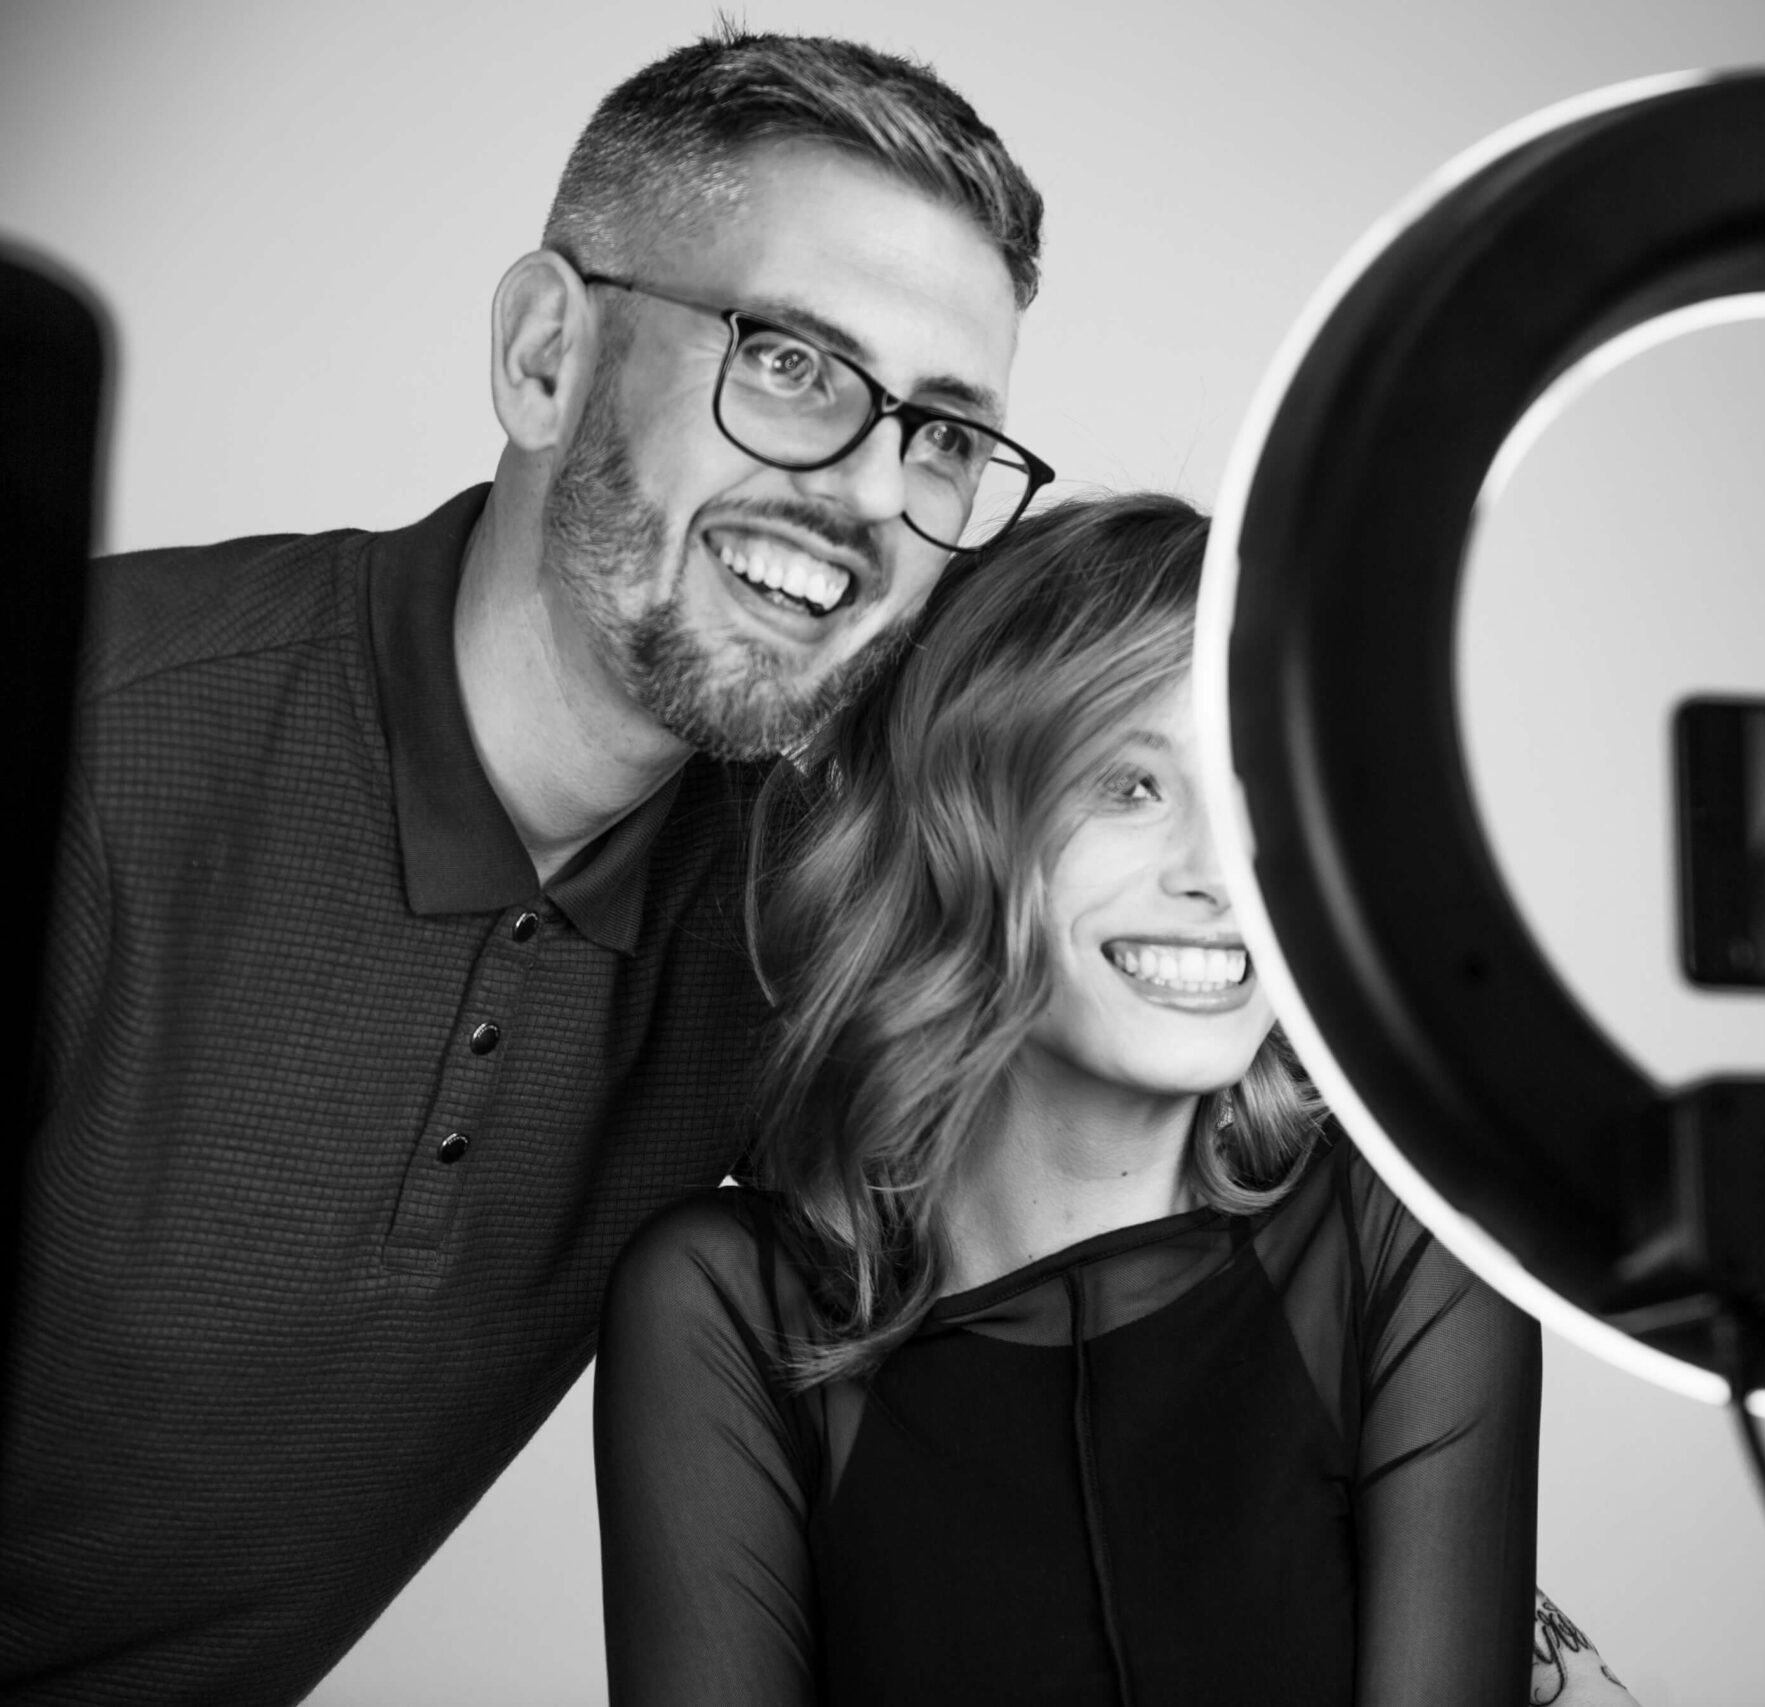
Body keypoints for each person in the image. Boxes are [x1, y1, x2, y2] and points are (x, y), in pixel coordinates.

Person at [1, 32, 1049, 1704]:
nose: (864, 491)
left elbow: (1102, 1279)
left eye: (939, 435)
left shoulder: (795, 920)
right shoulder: (87, 750)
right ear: (547, 352)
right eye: (790, 364)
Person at [592, 494, 1555, 1704]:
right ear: (959, 824)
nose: (1217, 877)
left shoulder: (1406, 1245)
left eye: (1258, 794)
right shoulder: (726, 1308)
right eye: (1129, 786)